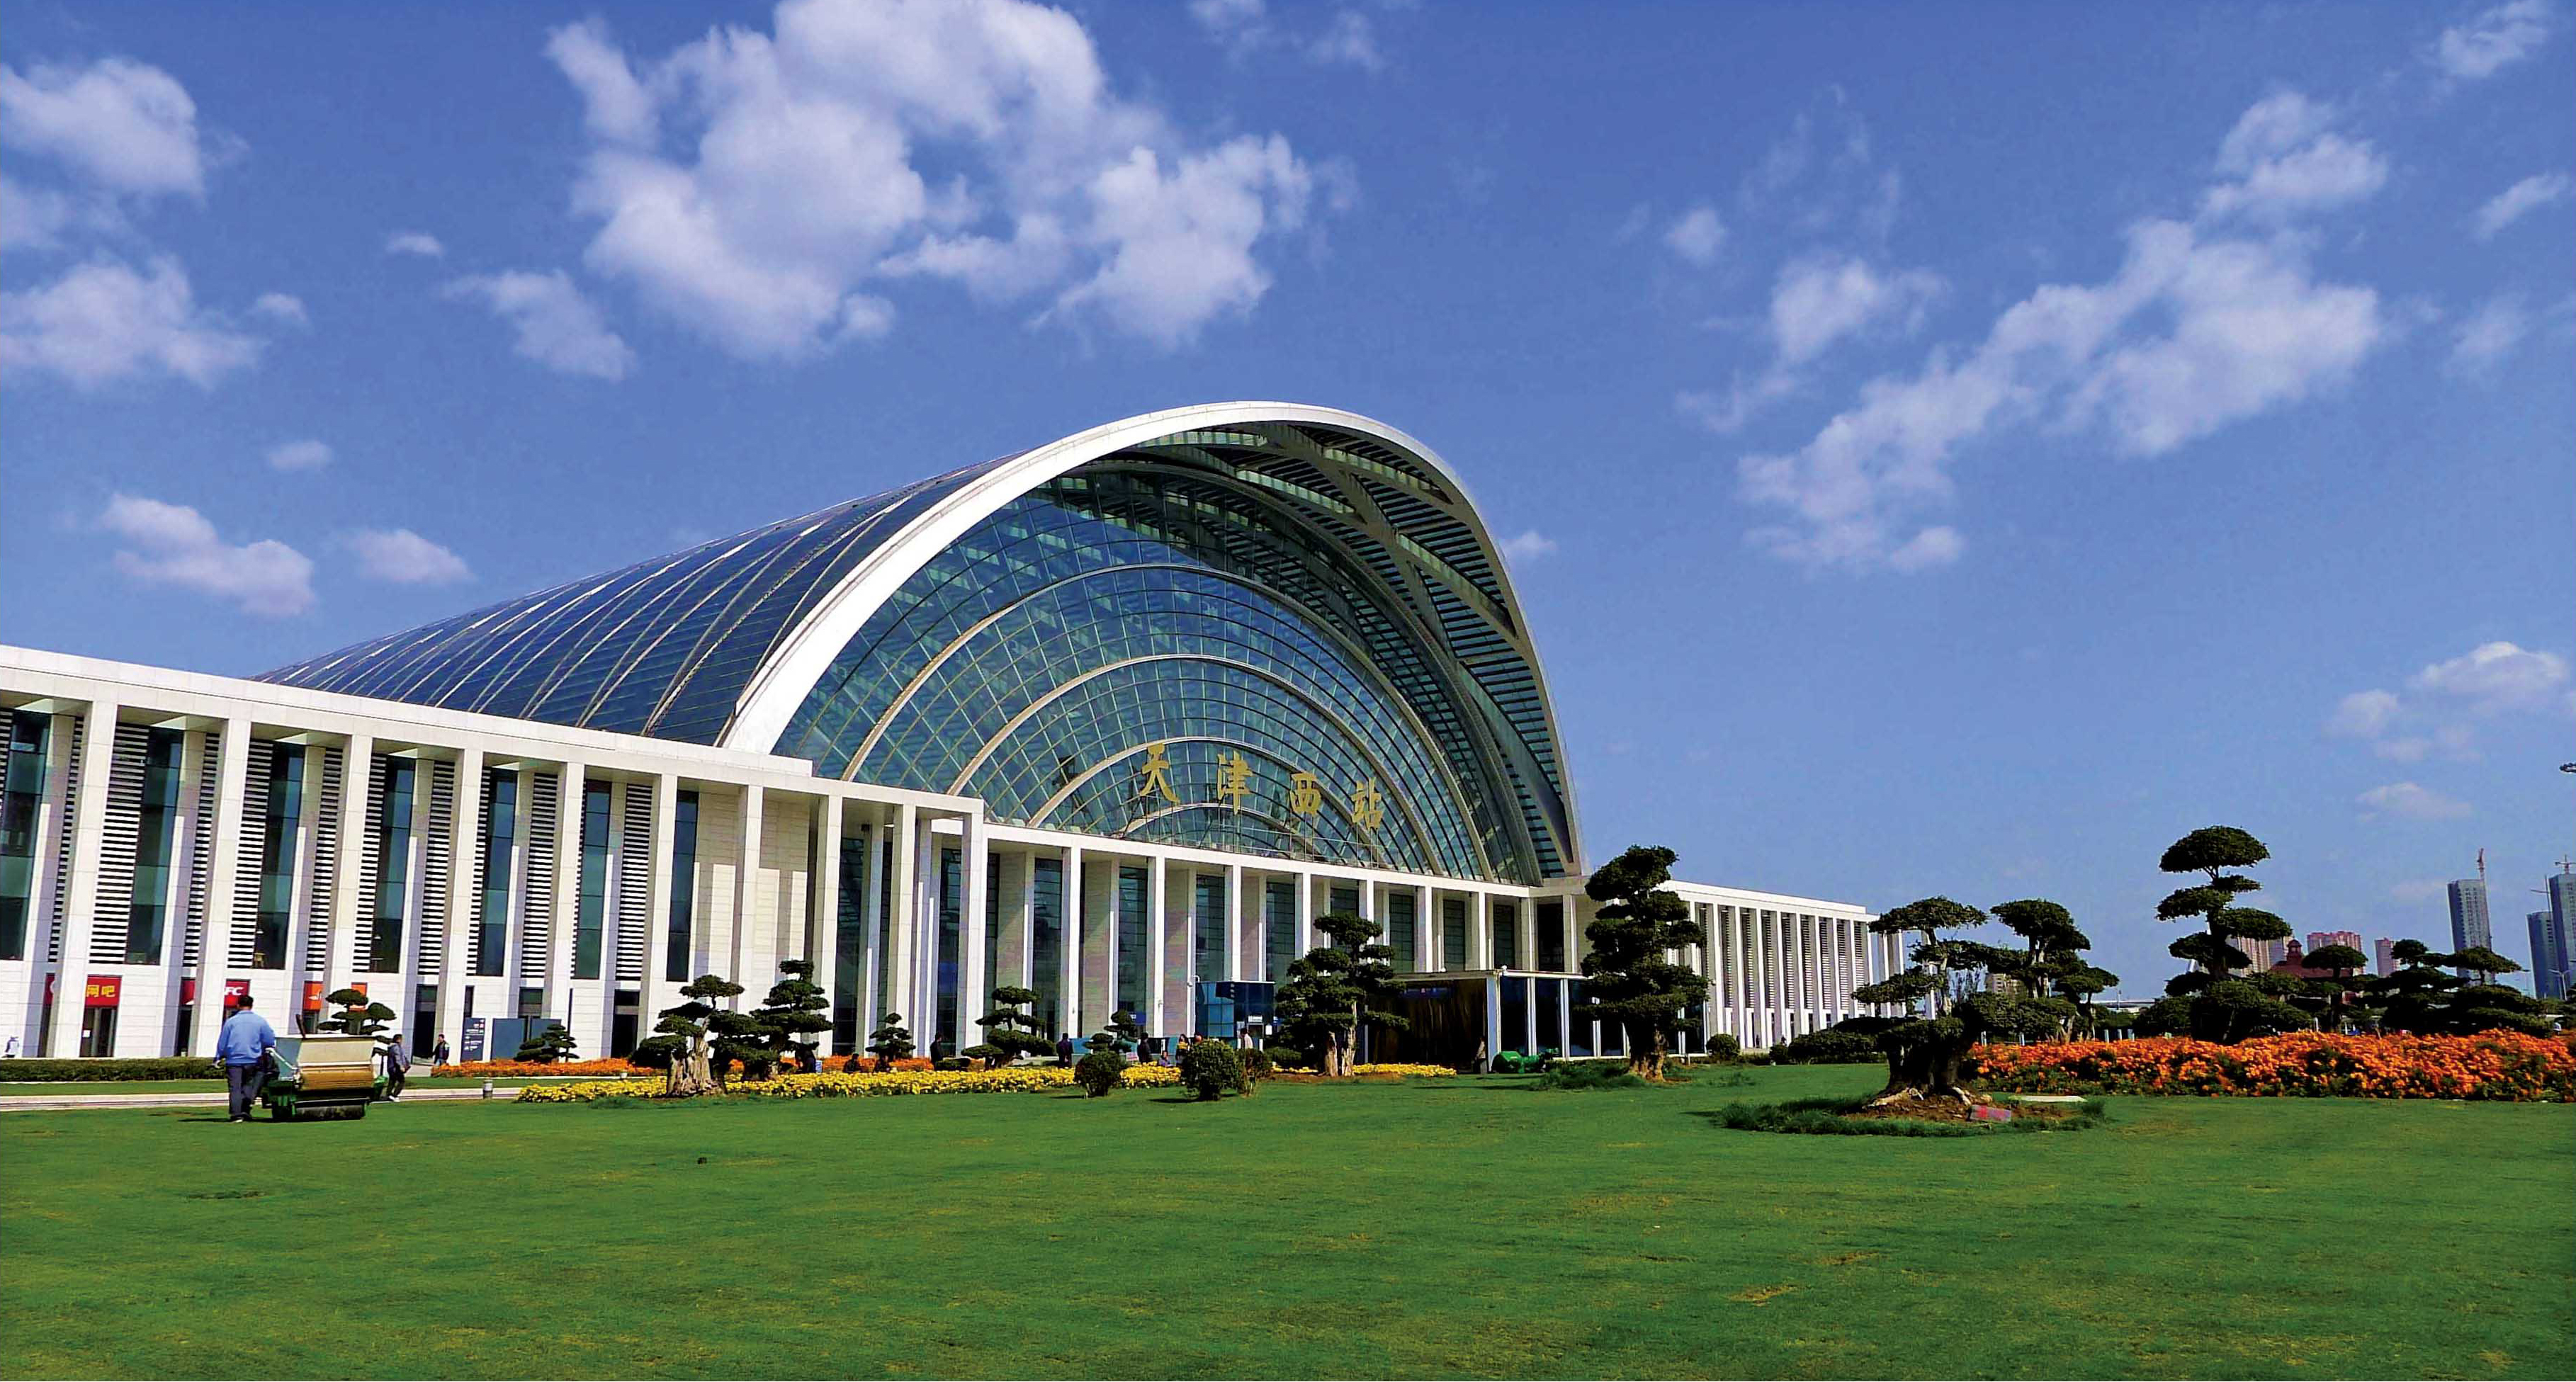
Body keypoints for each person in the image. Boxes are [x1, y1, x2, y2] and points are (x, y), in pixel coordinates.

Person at [218, 996, 278, 1123]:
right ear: (252, 1005)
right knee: (248, 1085)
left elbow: (223, 1041)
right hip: (253, 1059)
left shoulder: (231, 1022)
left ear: (238, 1005)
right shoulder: (260, 1021)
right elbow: (269, 1040)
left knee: (235, 1088)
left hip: (233, 1060)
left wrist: (219, 1056)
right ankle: (246, 1110)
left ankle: (236, 1114)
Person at [377, 1033, 411, 1101]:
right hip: (395, 1068)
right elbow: (398, 1058)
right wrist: (401, 1066)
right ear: (398, 1040)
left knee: (392, 1081)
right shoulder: (396, 1047)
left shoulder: (392, 1047)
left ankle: (388, 1094)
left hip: (391, 1068)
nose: (402, 1041)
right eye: (401, 1039)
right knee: (402, 1081)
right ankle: (394, 1095)